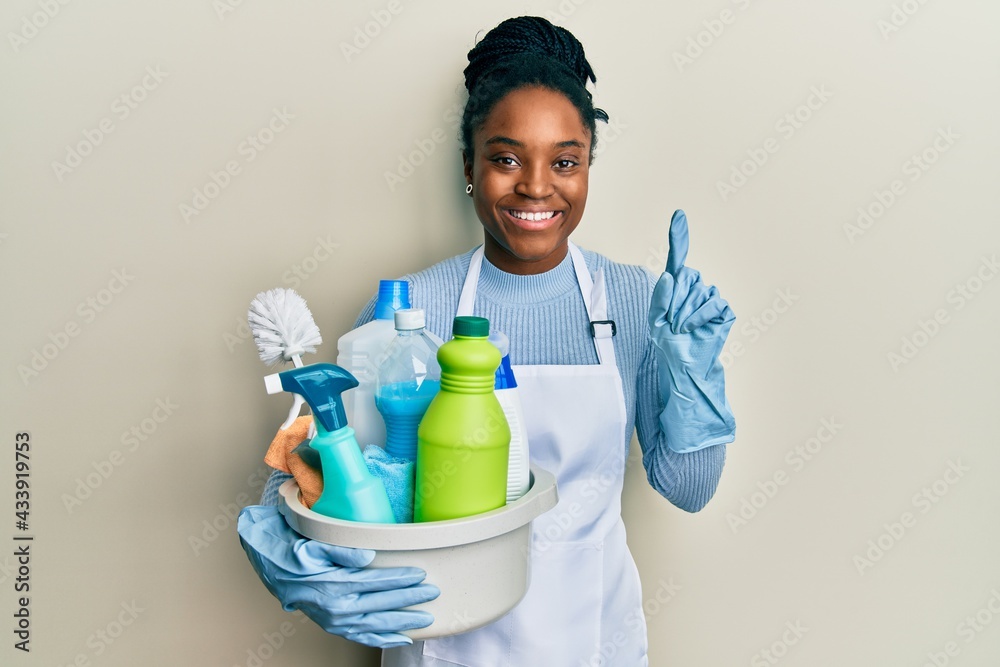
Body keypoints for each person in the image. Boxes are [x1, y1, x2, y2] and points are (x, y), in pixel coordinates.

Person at [238, 15, 736, 667]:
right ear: (468, 167)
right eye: (505, 157)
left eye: (565, 160)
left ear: (588, 166)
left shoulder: (635, 300)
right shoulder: (405, 310)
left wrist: (693, 372)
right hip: (442, 646)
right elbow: (329, 471)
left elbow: (688, 488)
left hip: (590, 642)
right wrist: (282, 546)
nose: (536, 185)